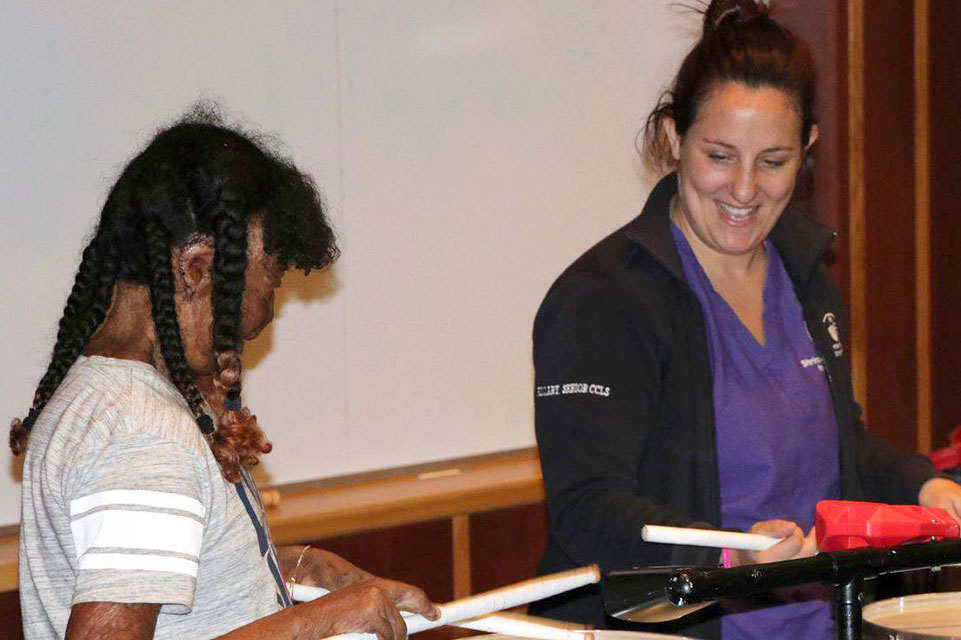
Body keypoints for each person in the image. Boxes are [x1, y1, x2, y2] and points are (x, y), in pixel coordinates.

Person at [529, 1, 961, 639]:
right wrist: (727, 555)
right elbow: (588, 508)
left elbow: (842, 449)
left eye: (774, 161)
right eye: (720, 155)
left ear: (808, 147)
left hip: (822, 621)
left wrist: (923, 487)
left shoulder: (808, 275)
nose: (744, 189)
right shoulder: (603, 299)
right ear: (675, 138)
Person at [10, 109, 439, 640]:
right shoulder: (145, 434)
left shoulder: (95, 394)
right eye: (271, 277)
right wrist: (316, 621)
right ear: (196, 268)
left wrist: (290, 569)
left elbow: (161, 585)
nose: (268, 313)